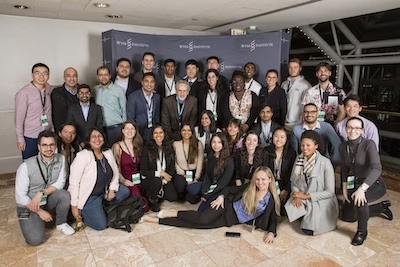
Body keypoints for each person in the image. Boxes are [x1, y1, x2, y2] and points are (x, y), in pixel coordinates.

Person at [144, 166, 280, 244]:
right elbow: (230, 190)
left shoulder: (270, 199)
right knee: (203, 218)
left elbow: (273, 218)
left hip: (230, 220)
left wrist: (272, 233)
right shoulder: (250, 187)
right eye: (257, 179)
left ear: (269, 179)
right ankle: (171, 213)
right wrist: (221, 197)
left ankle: (157, 220)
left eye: (263, 179)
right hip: (226, 205)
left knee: (199, 225)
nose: (259, 182)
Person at [15, 130, 74, 246]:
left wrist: (42, 192)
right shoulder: (26, 166)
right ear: (39, 147)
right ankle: (37, 219)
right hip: (28, 204)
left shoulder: (61, 159)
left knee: (64, 194)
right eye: (44, 145)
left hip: (46, 198)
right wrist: (40, 212)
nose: (48, 148)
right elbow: (20, 197)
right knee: (35, 240)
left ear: (55, 146)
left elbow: (60, 183)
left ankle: (61, 223)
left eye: (51, 145)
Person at [339, 117, 392, 246]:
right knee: (348, 216)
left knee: (360, 201)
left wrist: (362, 189)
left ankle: (362, 232)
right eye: (350, 127)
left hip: (373, 183)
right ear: (345, 129)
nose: (353, 131)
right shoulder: (342, 146)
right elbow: (345, 168)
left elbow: (377, 168)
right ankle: (381, 207)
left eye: (357, 128)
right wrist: (344, 187)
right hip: (354, 182)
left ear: (362, 130)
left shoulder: (369, 144)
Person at [68, 128, 130, 231]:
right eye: (94, 136)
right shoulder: (82, 156)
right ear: (88, 140)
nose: (97, 139)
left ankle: (102, 206)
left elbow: (115, 174)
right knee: (100, 225)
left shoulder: (108, 152)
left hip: (104, 192)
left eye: (100, 136)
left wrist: (112, 189)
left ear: (104, 138)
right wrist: (74, 206)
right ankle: (87, 211)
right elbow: (74, 183)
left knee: (125, 192)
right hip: (90, 196)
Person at [286, 130, 338, 236]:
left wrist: (305, 196)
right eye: (302, 145)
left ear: (316, 146)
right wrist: (296, 195)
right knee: (289, 210)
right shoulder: (298, 159)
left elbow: (330, 192)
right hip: (302, 196)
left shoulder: (325, 163)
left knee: (308, 230)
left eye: (308, 145)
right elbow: (294, 181)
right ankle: (304, 214)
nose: (305, 148)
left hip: (320, 200)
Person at [15, 63, 55, 160]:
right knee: (30, 165)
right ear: (32, 75)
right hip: (31, 136)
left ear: (48, 76)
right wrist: (20, 139)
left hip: (47, 134)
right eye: (38, 73)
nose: (41, 76)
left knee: (47, 162)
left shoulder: (48, 88)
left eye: (45, 73)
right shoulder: (23, 94)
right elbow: (18, 120)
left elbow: (59, 87)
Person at [187, 132, 234, 211]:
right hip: (210, 185)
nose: (216, 145)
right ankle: (201, 196)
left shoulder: (229, 161)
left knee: (201, 210)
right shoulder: (211, 157)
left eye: (219, 142)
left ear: (223, 144)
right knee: (190, 189)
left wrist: (208, 194)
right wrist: (204, 191)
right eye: (214, 142)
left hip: (220, 188)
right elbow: (207, 176)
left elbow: (224, 182)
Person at [140, 125, 177, 212]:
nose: (158, 135)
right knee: (157, 181)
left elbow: (172, 167)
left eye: (160, 132)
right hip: (150, 179)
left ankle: (158, 192)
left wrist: (164, 180)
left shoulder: (169, 147)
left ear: (164, 134)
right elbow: (144, 171)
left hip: (164, 179)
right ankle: (152, 200)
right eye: (155, 133)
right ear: (152, 135)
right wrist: (161, 174)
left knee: (173, 197)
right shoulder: (146, 148)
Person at [263, 127, 296, 210]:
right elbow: (264, 171)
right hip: (269, 183)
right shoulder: (266, 151)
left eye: (282, 137)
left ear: (286, 139)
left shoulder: (291, 153)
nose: (279, 139)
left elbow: (293, 174)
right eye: (276, 136)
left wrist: (286, 189)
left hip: (285, 184)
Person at [112, 121, 145, 200]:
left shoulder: (138, 145)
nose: (129, 131)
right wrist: (123, 181)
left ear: (135, 131)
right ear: (123, 131)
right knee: (138, 200)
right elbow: (114, 169)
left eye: (132, 129)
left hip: (138, 179)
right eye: (127, 129)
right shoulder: (117, 146)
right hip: (125, 179)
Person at [94, 66, 126, 146]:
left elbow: (124, 109)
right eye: (101, 75)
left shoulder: (118, 90)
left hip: (116, 128)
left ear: (110, 76)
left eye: (106, 74)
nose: (103, 77)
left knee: (116, 153)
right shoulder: (95, 90)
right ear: (97, 77)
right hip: (100, 128)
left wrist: (124, 127)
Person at [173, 123, 204, 202]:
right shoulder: (176, 144)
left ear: (192, 132)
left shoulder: (198, 144)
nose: (186, 132)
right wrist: (183, 174)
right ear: (180, 132)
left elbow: (200, 162)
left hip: (194, 172)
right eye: (184, 130)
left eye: (188, 130)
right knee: (180, 189)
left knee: (193, 199)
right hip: (182, 173)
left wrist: (196, 178)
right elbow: (175, 161)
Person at [127, 72, 161, 141]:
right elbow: (130, 118)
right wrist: (134, 132)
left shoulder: (157, 97)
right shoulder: (133, 97)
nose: (149, 84)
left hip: (152, 130)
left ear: (154, 84)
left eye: (152, 82)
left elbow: (157, 115)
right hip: (138, 131)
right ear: (142, 83)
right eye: (146, 81)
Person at [281, 58, 311, 131]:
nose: (292, 69)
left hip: (298, 123)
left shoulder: (305, 85)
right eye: (290, 67)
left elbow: (307, 106)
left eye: (295, 67)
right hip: (283, 122)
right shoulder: (284, 84)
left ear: (300, 68)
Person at [51, 67, 79, 133]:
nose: (72, 79)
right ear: (64, 78)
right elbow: (57, 116)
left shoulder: (83, 91)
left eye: (74, 76)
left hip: (80, 131)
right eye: (68, 76)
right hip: (64, 132)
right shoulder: (57, 93)